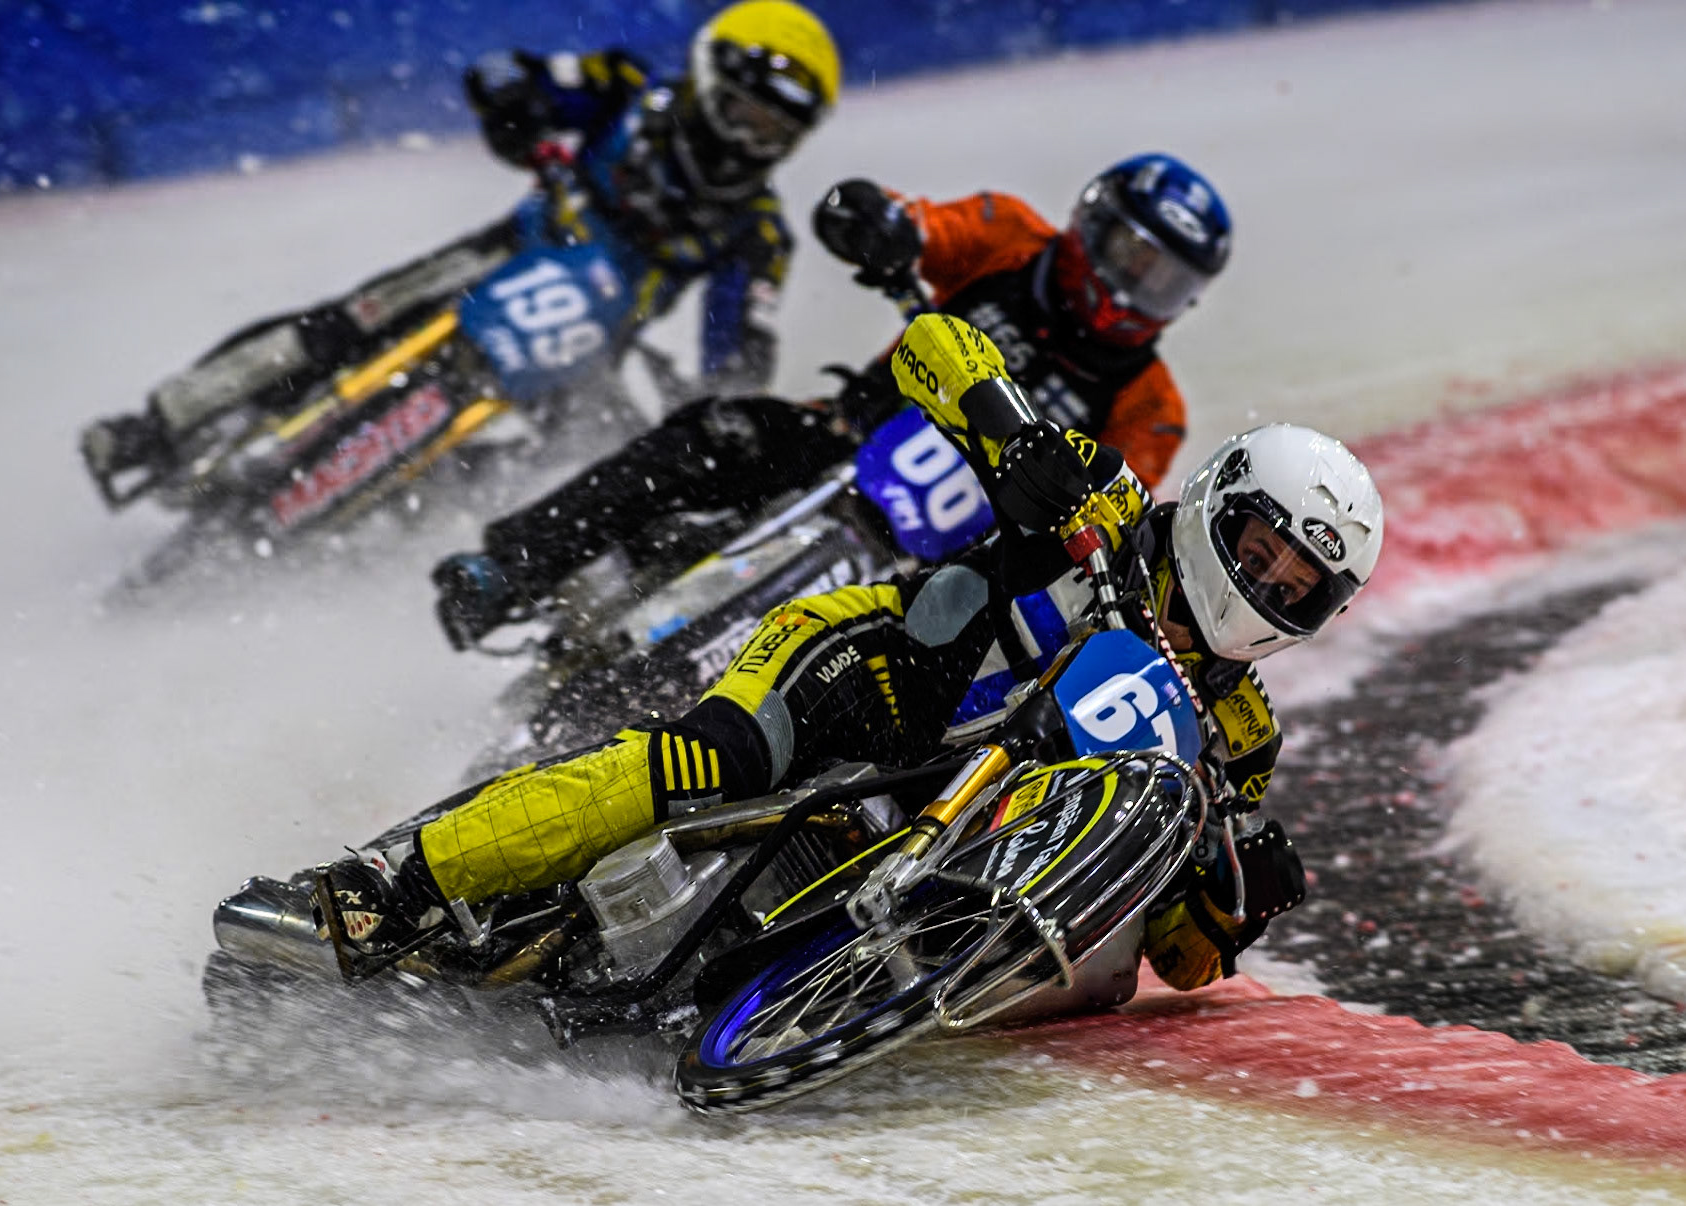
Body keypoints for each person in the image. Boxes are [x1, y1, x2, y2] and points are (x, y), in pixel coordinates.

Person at [319, 313, 1384, 993]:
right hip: (871, 670)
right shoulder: (1103, 501)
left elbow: (1175, 956)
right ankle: (390, 881)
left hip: (957, 824)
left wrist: (1237, 900)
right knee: (709, 762)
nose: (1266, 586)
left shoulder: (1240, 736)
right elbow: (936, 342)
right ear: (1217, 507)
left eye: (1296, 586)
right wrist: (1009, 433)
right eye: (1260, 551)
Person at [432, 152, 1230, 649]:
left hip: (937, 564)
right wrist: (882, 227)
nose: (1133, 287)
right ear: (1091, 224)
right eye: (1131, 254)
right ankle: (510, 569)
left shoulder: (1151, 404)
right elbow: (919, 225)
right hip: (844, 433)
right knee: (709, 433)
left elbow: (1107, 519)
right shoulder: (1009, 235)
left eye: (1164, 279)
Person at [80, 0, 841, 482]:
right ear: (708, 78)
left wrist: (720, 401)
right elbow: (509, 74)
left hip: (588, 349)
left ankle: (417, 532)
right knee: (345, 324)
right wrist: (516, 104)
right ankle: (160, 425)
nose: (747, 142)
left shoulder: (759, 233)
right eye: (742, 114)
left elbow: (741, 345)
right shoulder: (626, 87)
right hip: (503, 256)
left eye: (772, 133)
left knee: (581, 469)